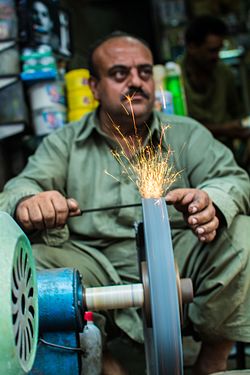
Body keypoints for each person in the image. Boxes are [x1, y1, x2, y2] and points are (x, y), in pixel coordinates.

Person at [1, 31, 250, 375]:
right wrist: (30, 201)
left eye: (145, 72)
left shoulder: (186, 133)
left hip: (177, 257)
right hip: (93, 262)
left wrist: (212, 200)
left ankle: (212, 363)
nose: (137, 81)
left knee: (242, 235)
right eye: (120, 74)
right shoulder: (65, 143)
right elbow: (20, 188)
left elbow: (233, 178)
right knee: (36, 263)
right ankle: (103, 363)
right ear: (93, 87)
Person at [178, 15, 250, 150]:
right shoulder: (174, 77)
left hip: (223, 151)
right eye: (211, 51)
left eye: (219, 50)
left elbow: (236, 113)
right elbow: (176, 127)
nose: (216, 56)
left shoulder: (224, 73)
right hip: (190, 152)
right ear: (192, 47)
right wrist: (222, 129)